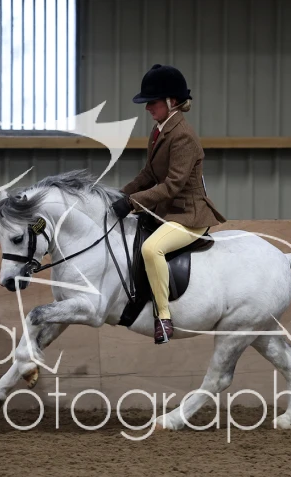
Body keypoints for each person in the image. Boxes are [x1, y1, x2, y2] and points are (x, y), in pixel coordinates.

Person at [109, 63, 227, 344]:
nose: (148, 107)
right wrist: (118, 196)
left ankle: (163, 317)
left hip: (189, 216)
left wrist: (133, 203)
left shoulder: (183, 135)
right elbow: (149, 174)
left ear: (171, 101)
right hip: (165, 212)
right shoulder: (159, 130)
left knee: (152, 249)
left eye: (153, 102)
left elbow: (172, 185)